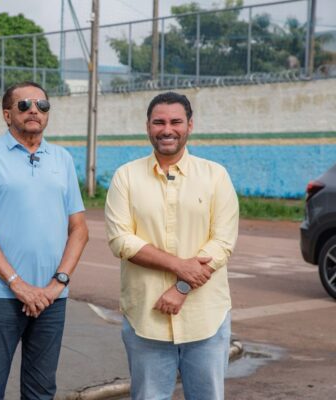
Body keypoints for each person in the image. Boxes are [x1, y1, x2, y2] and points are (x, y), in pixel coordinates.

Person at [104, 92, 239, 400]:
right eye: (159, 122)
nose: (167, 130)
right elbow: (120, 240)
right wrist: (179, 266)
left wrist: (181, 288)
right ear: (148, 126)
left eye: (176, 122)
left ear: (190, 125)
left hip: (206, 319)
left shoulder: (215, 176)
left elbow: (222, 243)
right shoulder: (126, 177)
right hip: (146, 318)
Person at [0, 81, 89, 400]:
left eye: (42, 105)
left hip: (51, 298)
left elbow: (79, 229)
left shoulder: (62, 159)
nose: (34, 110)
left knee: (41, 391)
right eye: (24, 105)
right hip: (1, 295)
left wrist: (58, 284)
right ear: (7, 115)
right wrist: (17, 284)